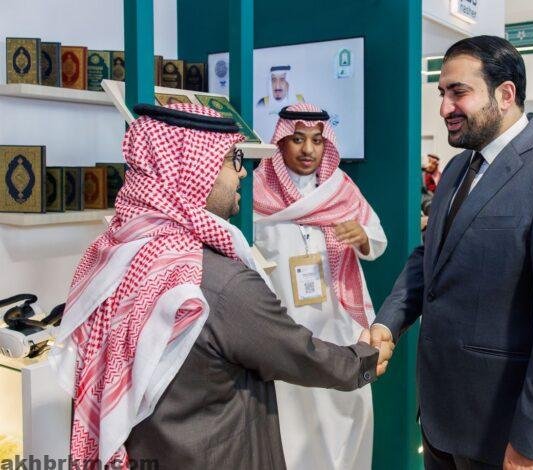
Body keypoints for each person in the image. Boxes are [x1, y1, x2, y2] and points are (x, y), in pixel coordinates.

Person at [48, 103, 390, 469]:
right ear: (194, 170)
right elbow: (293, 350)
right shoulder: (217, 281)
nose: (241, 172)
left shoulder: (113, 252)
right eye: (231, 160)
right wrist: (364, 360)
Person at [371, 35, 533, 469]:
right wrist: (388, 322)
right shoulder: (457, 169)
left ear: (505, 94)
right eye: (442, 93)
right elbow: (429, 259)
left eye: (458, 92)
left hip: (504, 433)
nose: (445, 107)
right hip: (441, 418)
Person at [253, 102, 387, 470]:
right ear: (281, 142)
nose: (308, 150)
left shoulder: (339, 188)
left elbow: (377, 239)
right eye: (298, 139)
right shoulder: (257, 190)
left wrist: (362, 236)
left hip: (336, 324)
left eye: (316, 140)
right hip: (284, 328)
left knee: (348, 408)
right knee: (292, 415)